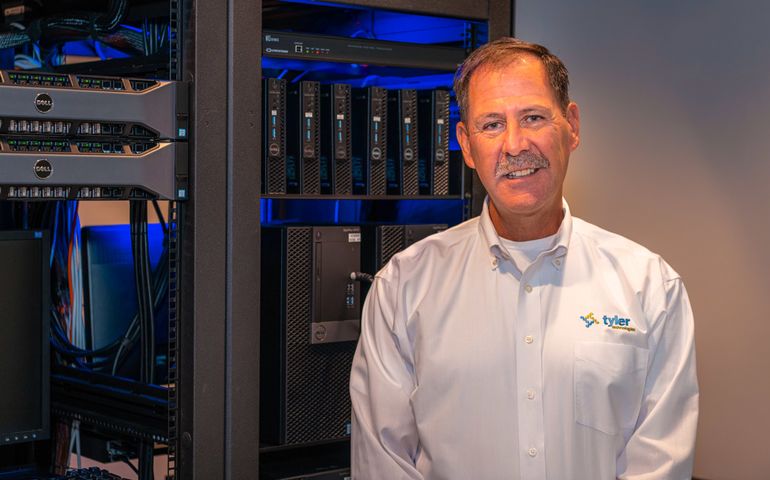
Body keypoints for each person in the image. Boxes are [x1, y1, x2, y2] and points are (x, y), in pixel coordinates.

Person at [349, 37, 698, 479]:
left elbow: (660, 465)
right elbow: (383, 462)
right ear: (467, 145)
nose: (514, 145)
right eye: (491, 125)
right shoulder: (403, 288)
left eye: (532, 117)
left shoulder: (651, 288)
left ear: (571, 126)